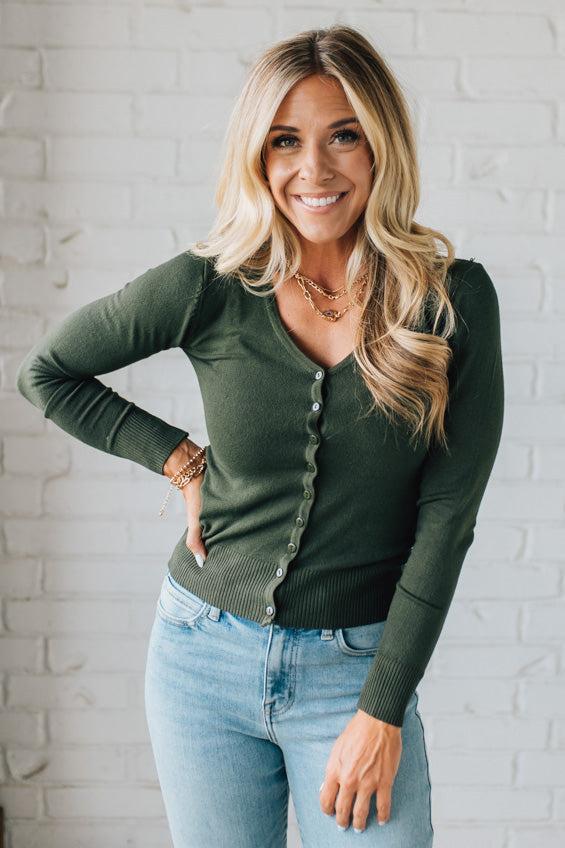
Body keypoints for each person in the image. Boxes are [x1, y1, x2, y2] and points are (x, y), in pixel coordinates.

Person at [15, 24, 504, 848]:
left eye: (342, 135)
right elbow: (50, 373)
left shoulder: (450, 303)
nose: (312, 170)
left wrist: (381, 710)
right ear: (257, 154)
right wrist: (177, 459)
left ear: (381, 144)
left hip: (354, 673)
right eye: (285, 142)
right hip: (198, 658)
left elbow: (446, 518)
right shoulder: (209, 284)